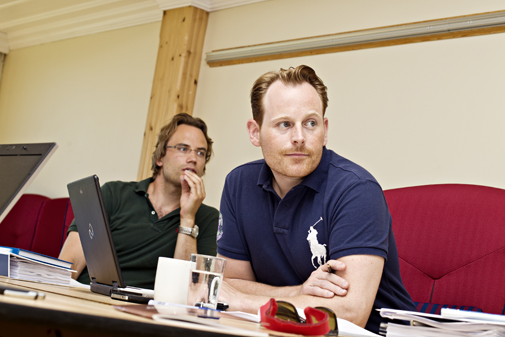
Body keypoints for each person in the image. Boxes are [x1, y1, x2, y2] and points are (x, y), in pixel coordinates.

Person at [216, 65, 416, 333]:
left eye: (310, 123)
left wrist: (242, 301)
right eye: (284, 124)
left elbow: (348, 312)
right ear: (255, 132)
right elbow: (229, 283)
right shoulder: (238, 184)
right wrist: (299, 291)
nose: (299, 138)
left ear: (325, 129)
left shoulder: (357, 190)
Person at [59, 113, 219, 289]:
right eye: (183, 148)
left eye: (201, 152)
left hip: (141, 311)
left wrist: (188, 218)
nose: (193, 158)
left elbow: (188, 290)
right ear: (160, 157)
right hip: (86, 297)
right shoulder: (113, 193)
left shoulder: (207, 218)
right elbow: (68, 266)